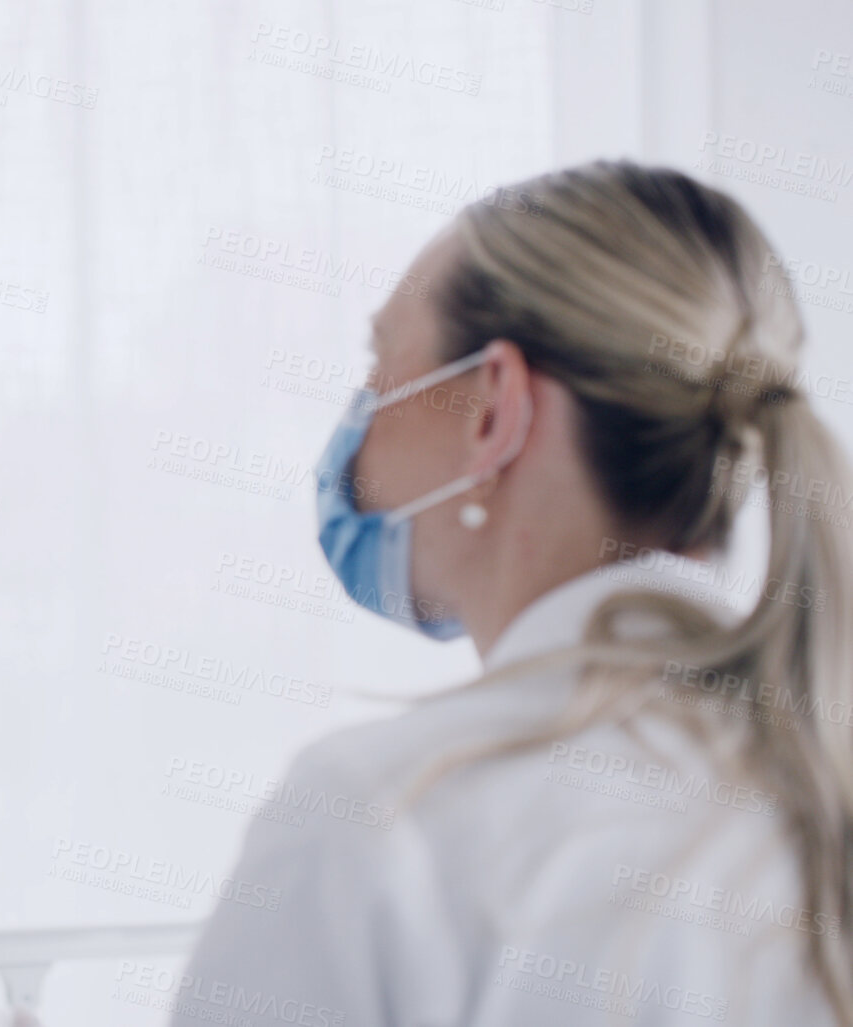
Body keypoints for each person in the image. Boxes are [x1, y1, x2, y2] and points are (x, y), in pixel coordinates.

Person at [176, 161, 851, 1025]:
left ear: (491, 408)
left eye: (381, 359)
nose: (359, 416)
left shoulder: (378, 817)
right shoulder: (807, 791)